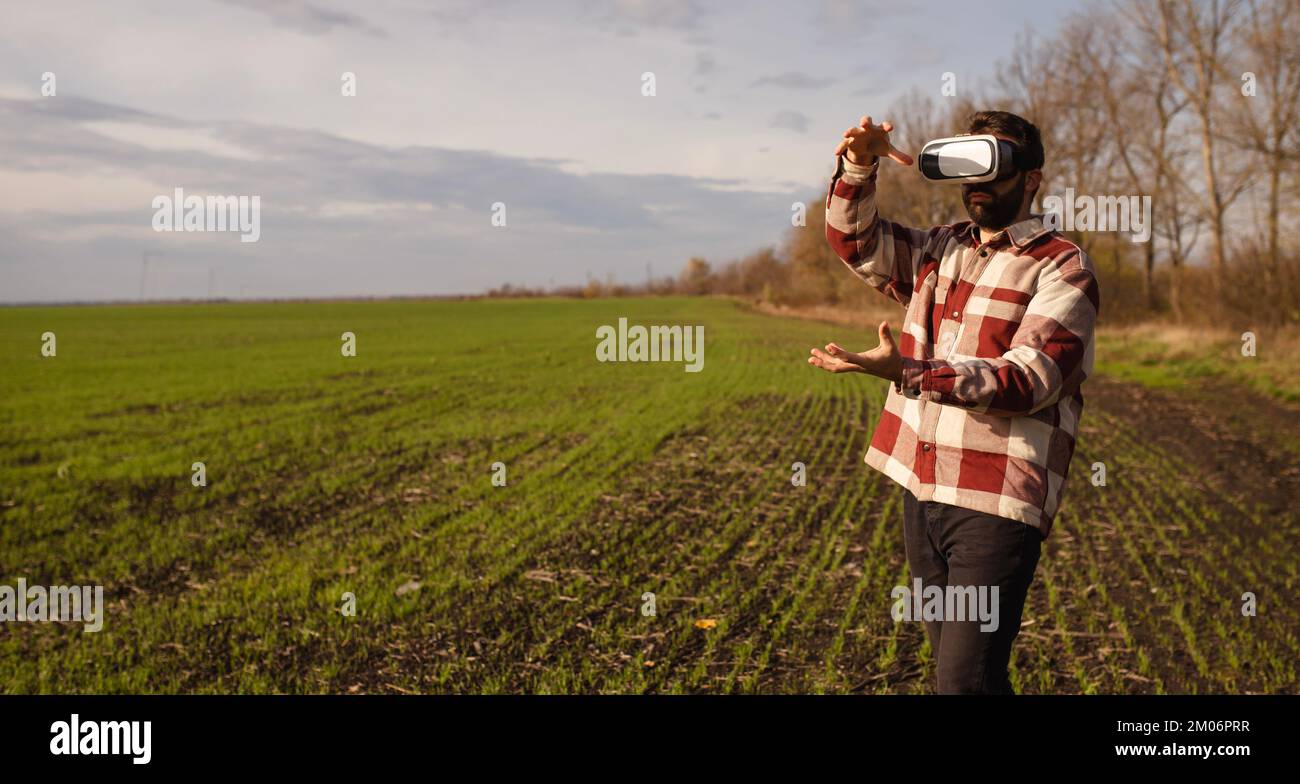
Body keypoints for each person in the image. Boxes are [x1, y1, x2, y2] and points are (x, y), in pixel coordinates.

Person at [808, 111, 1099, 694]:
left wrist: (913, 372)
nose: (978, 184)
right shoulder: (940, 249)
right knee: (967, 677)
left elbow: (1029, 379)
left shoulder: (1063, 265)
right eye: (970, 168)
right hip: (923, 489)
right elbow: (854, 241)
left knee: (962, 681)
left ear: (1032, 178)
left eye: (995, 166)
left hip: (995, 501)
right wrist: (858, 165)